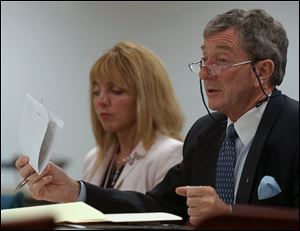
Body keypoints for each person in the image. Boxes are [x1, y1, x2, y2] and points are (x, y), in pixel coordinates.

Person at [16, 9, 298, 226]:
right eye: (204, 60)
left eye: (221, 61)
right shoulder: (205, 134)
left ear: (262, 71)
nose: (203, 73)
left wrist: (231, 217)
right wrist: (76, 191)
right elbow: (154, 205)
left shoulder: (294, 128)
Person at [80, 41, 184, 193]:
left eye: (116, 91)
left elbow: (159, 214)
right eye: (96, 92)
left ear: (147, 97)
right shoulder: (94, 158)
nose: (102, 101)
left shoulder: (170, 155)